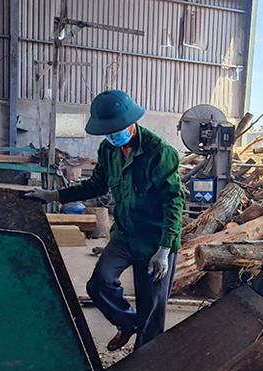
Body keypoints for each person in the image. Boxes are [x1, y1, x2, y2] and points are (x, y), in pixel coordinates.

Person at [26, 89, 185, 352]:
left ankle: (143, 368)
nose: (113, 135)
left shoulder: (160, 153)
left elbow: (173, 201)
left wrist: (165, 250)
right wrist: (53, 195)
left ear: (131, 122)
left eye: (117, 130)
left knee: (152, 310)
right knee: (99, 283)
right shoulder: (109, 150)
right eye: (108, 132)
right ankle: (127, 322)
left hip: (156, 241)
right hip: (125, 235)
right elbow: (97, 185)